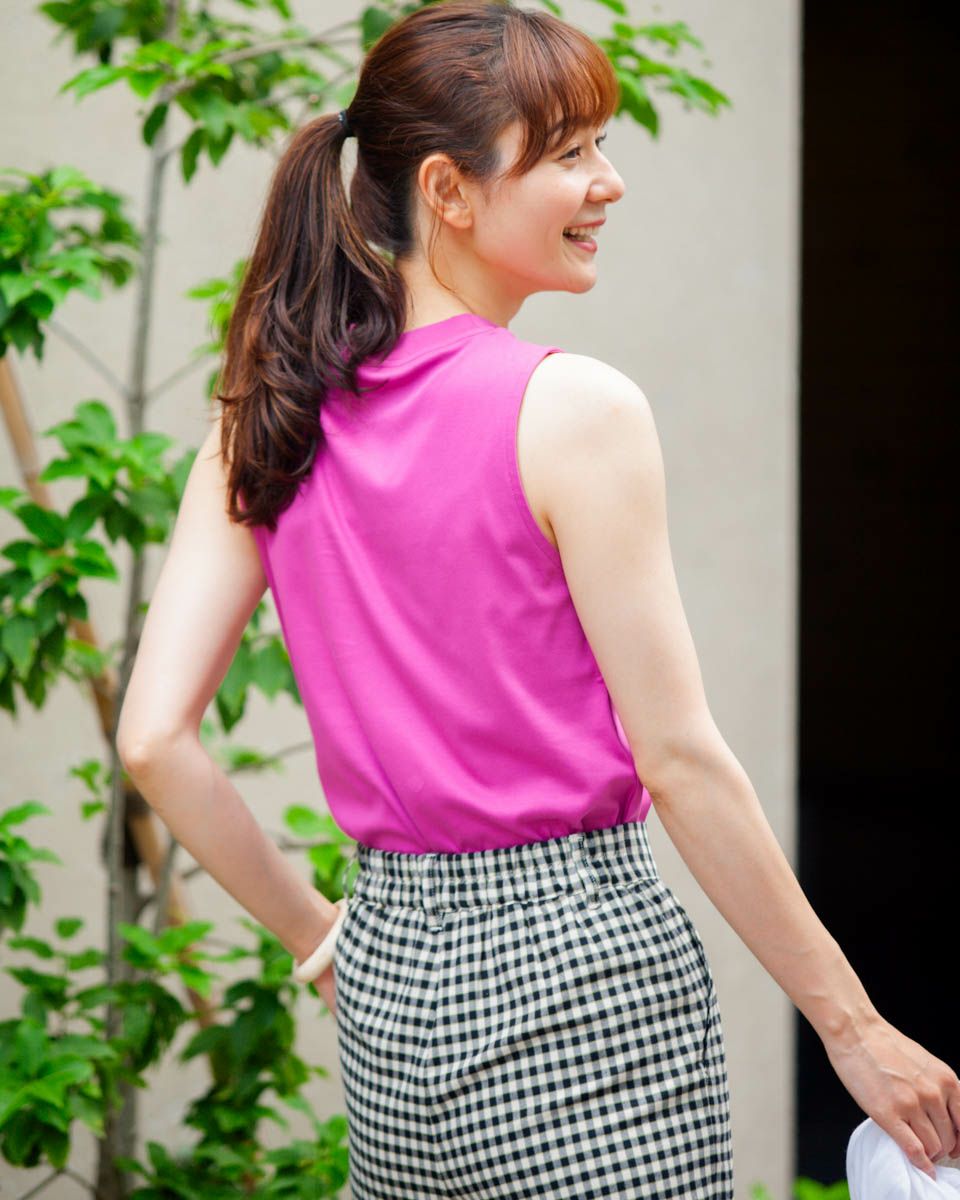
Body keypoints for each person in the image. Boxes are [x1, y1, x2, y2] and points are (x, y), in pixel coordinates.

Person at [116, 0, 960, 1195]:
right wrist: (855, 1027)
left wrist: (321, 940)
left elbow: (153, 740)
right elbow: (679, 760)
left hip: (390, 990)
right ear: (449, 192)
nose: (608, 181)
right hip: (582, 983)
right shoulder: (573, 410)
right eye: (568, 153)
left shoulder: (265, 420)